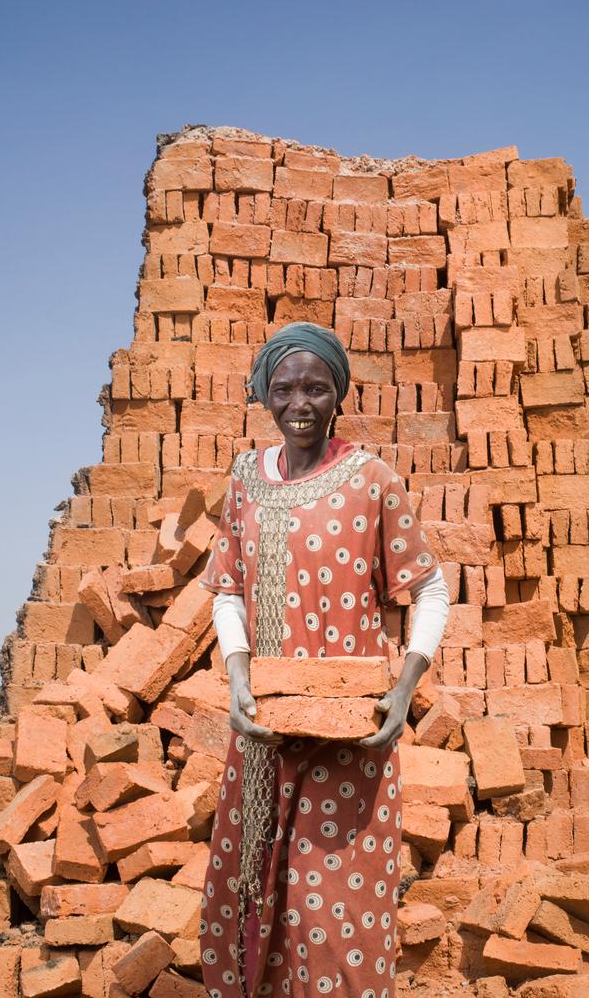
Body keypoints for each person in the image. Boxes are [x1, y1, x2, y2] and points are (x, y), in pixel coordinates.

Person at [197, 322, 450, 998]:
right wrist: (239, 678)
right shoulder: (247, 480)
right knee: (252, 891)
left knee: (331, 912)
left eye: (315, 387)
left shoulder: (371, 480)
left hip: (352, 734)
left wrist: (403, 692)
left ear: (338, 393)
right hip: (261, 734)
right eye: (283, 389)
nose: (298, 403)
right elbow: (228, 589)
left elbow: (430, 587)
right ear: (263, 395)